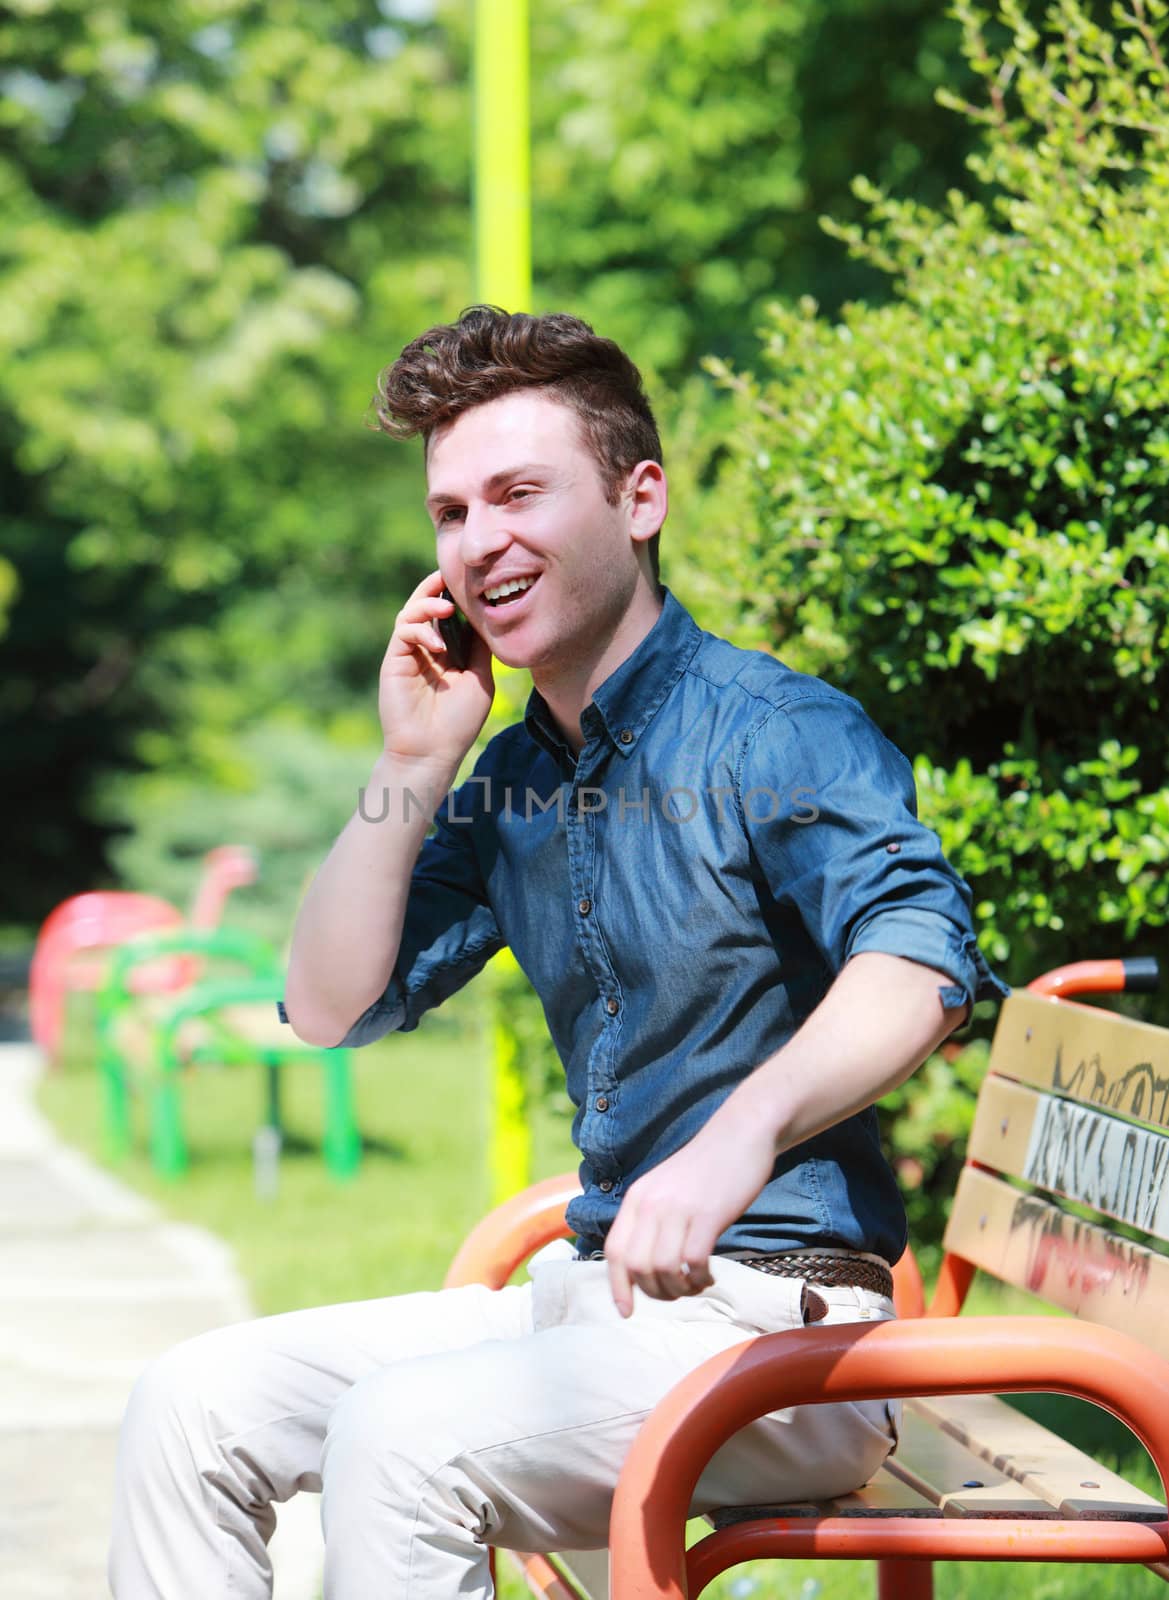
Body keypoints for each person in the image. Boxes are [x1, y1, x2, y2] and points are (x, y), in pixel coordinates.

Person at [109, 306, 1007, 1599]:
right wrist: (413, 762)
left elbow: (920, 959)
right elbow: (326, 1005)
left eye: (518, 494)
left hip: (787, 1339)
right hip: (597, 1309)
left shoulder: (774, 732)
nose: (480, 544)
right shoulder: (511, 778)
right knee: (193, 1403)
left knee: (401, 1440)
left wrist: (734, 1137)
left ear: (638, 498)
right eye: (451, 513)